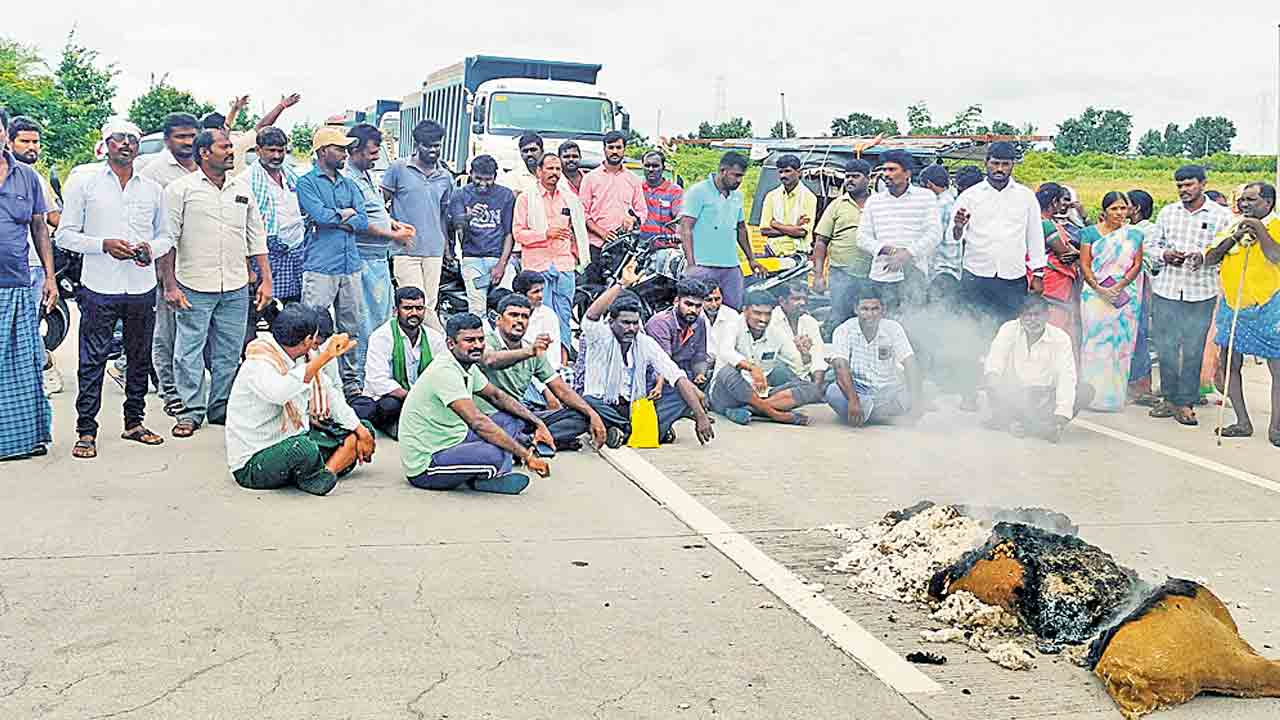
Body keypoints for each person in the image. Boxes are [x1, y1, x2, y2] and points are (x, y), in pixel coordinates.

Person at [55, 119, 172, 459]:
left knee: (139, 357)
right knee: (92, 360)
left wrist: (150, 250)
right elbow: (65, 235)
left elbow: (166, 236)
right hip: (99, 285)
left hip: (141, 286)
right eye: (118, 138)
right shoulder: (85, 183)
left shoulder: (152, 189)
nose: (126, 143)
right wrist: (102, 245)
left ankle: (134, 422)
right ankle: (86, 431)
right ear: (105, 144)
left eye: (132, 139)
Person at [161, 128, 272, 437]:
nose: (231, 152)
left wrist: (266, 280)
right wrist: (170, 286)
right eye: (224, 147)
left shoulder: (242, 189)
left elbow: (256, 236)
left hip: (235, 285)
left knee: (229, 351)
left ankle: (220, 407)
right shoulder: (180, 190)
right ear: (204, 153)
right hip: (193, 283)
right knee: (189, 351)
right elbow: (167, 241)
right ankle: (190, 411)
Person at [225, 304, 373, 496]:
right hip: (254, 460)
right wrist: (324, 358)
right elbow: (280, 393)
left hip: (297, 437)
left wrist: (361, 431)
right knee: (302, 449)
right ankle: (320, 473)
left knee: (362, 428)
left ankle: (324, 472)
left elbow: (332, 396)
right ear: (307, 340)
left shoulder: (303, 357)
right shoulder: (259, 362)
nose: (317, 344)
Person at [399, 313, 554, 494]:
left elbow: (496, 396)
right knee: (493, 454)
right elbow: (478, 422)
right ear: (451, 344)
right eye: (469, 340)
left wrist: (538, 423)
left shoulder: (466, 365)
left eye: (481, 339)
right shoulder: (445, 371)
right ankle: (491, 472)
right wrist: (526, 456)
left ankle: (492, 471)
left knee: (511, 419)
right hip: (426, 465)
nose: (478, 345)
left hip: (454, 439)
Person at [574, 263, 715, 446]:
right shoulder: (600, 336)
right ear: (611, 321)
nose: (631, 328)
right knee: (587, 403)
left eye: (635, 323)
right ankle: (635, 430)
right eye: (625, 323)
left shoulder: (643, 342)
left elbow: (675, 374)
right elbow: (591, 316)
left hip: (633, 406)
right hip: (603, 405)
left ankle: (625, 431)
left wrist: (700, 415)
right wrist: (622, 284)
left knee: (683, 391)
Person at [951, 142, 1046, 407]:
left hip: (1012, 277)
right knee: (970, 334)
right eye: (995, 163)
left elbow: (1035, 235)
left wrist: (1038, 272)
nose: (1000, 169)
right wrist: (958, 226)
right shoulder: (970, 195)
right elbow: (954, 237)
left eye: (1005, 164)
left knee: (1009, 336)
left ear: (1013, 165)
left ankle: (1003, 397)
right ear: (986, 163)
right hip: (976, 276)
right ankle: (969, 393)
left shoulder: (1026, 197)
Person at [1148, 165, 1232, 426]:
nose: (1183, 190)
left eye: (1189, 184)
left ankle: (1185, 402)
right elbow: (1151, 246)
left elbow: (1228, 250)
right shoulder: (1168, 212)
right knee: (1166, 347)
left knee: (1194, 349)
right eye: (1180, 185)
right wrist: (1165, 255)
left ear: (1203, 184)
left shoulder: (1221, 216)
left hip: (1201, 291)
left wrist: (1203, 257)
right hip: (1167, 289)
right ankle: (1169, 398)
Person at [478, 293, 607, 450]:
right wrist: (529, 352)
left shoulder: (531, 348)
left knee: (582, 416)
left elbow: (560, 389)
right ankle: (528, 442)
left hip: (519, 416)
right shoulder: (484, 342)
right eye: (513, 315)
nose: (519, 320)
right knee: (499, 428)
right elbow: (490, 360)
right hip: (489, 418)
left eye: (524, 316)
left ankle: (528, 441)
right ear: (498, 319)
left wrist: (593, 414)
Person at [1204, 182, 1280, 445]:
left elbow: (1276, 256)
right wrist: (1234, 237)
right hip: (1233, 304)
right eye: (1242, 200)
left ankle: (1276, 428)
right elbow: (1210, 258)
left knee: (1277, 368)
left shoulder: (1277, 225)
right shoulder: (1232, 226)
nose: (1244, 204)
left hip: (1269, 306)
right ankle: (1242, 422)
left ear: (1268, 202)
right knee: (1229, 363)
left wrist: (1258, 228)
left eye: (1251, 200)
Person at [0, 108, 55, 461]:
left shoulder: (27, 177)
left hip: (17, 283)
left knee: (22, 364)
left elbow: (39, 228)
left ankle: (22, 439)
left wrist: (50, 276)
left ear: (5, 134)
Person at [296, 127, 368, 397]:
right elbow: (319, 216)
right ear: (323, 151)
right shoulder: (306, 183)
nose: (345, 154)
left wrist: (337, 217)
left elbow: (362, 221)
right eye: (339, 149)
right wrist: (345, 215)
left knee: (351, 327)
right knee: (312, 327)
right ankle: (314, 382)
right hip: (321, 265)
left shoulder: (349, 184)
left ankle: (350, 383)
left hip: (350, 264)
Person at [344, 123, 416, 378]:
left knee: (380, 321)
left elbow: (374, 211)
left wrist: (392, 223)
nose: (376, 158)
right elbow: (357, 222)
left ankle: (378, 375)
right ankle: (362, 377)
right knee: (365, 323)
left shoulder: (366, 175)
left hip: (378, 260)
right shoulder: (348, 179)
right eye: (372, 152)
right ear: (355, 150)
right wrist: (393, 235)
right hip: (363, 261)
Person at [141, 113, 200, 417]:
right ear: (167, 140)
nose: (188, 142)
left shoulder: (206, 165)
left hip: (201, 265)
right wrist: (165, 276)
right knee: (167, 333)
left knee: (195, 334)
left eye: (192, 136)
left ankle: (194, 392)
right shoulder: (154, 173)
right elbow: (150, 224)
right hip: (168, 265)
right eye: (181, 136)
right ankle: (170, 391)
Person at [7, 115, 63, 395]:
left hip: (30, 266)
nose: (31, 147)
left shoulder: (33, 178)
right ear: (10, 141)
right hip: (7, 267)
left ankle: (43, 369)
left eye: (35, 142)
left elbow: (48, 220)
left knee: (26, 326)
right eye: (24, 141)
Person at [984, 295, 1088, 443]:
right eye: (1027, 315)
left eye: (1037, 315)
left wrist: (1061, 415)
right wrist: (995, 384)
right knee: (991, 377)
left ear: (1047, 315)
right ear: (1020, 317)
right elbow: (995, 359)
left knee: (1084, 391)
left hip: (1044, 397)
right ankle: (1033, 427)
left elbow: (1066, 376)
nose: (1032, 320)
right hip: (1014, 395)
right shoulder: (1009, 329)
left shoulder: (1060, 338)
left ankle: (1019, 425)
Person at [709, 289, 821, 426]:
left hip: (760, 393)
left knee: (810, 388)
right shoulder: (732, 325)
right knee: (727, 371)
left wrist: (804, 354)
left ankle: (751, 410)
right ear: (745, 310)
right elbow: (726, 352)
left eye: (768, 314)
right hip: (726, 395)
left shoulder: (775, 332)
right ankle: (776, 414)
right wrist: (753, 368)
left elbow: (797, 365)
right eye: (757, 313)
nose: (763, 319)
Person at [382, 120, 453, 330]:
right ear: (417, 144)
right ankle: (443, 341)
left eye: (436, 145)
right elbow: (379, 205)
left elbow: (442, 214)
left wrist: (447, 246)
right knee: (414, 305)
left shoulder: (445, 177)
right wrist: (393, 229)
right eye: (427, 145)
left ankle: (427, 347)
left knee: (429, 304)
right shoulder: (398, 169)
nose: (433, 150)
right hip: (405, 250)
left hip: (434, 251)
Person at [512, 152, 588, 349]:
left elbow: (577, 230)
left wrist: (575, 254)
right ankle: (539, 358)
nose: (554, 173)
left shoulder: (570, 199)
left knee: (564, 315)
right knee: (539, 316)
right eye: (550, 168)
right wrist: (545, 234)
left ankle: (562, 360)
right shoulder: (526, 198)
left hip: (564, 265)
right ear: (539, 171)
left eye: (557, 169)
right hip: (537, 266)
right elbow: (518, 234)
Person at [1078, 192, 1145, 411]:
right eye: (1114, 208)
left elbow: (1137, 264)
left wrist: (1119, 286)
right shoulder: (1089, 233)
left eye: (1123, 208)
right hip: (1094, 295)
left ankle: (1113, 398)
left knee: (1121, 346)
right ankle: (1090, 396)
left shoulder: (1134, 234)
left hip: (1124, 296)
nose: (1119, 213)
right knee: (1094, 344)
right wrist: (1099, 288)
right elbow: (1085, 264)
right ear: (1104, 211)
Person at [352, 286, 446, 439]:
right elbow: (378, 381)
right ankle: (393, 425)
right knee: (388, 406)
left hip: (422, 398)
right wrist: (414, 398)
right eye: (408, 308)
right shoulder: (381, 337)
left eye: (419, 308)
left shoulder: (434, 338)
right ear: (396, 311)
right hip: (392, 398)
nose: (414, 313)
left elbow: (443, 374)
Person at [856, 149, 940, 316]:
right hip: (881, 275)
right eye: (884, 169)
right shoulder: (874, 201)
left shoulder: (925, 197)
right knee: (883, 323)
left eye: (892, 169)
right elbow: (861, 238)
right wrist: (890, 250)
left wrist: (907, 254)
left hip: (915, 274)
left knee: (914, 322)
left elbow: (934, 233)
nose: (886, 174)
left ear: (907, 173)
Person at [679, 151, 766, 310]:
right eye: (736, 175)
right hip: (702, 265)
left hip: (730, 265)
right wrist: (691, 265)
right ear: (723, 171)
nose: (739, 180)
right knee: (698, 311)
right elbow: (685, 228)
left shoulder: (737, 196)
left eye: (741, 176)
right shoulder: (698, 192)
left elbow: (741, 228)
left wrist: (751, 259)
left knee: (733, 310)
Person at [825, 292, 923, 427]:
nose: (870, 314)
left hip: (890, 390)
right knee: (832, 392)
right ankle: (885, 417)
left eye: (875, 309)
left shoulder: (893, 328)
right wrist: (853, 400)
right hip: (858, 390)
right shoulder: (844, 330)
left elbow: (910, 362)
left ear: (883, 310)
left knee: (922, 389)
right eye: (865, 309)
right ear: (856, 310)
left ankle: (868, 415)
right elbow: (840, 366)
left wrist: (916, 402)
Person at [246, 127, 305, 306]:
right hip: (267, 254)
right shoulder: (246, 180)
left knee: (295, 309)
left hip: (296, 251)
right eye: (271, 150)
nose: (277, 156)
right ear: (258, 150)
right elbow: (243, 227)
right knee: (264, 307)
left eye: (281, 150)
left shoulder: (291, 176)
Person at [450, 154, 515, 316]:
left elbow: (509, 233)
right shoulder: (460, 194)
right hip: (472, 260)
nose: (483, 184)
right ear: (470, 173)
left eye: (488, 179)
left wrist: (501, 265)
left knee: (506, 305)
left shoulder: (506, 195)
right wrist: (468, 216)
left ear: (495, 176)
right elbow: (454, 225)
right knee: (477, 308)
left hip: (499, 258)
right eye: (478, 178)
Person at [813, 160, 873, 333]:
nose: (850, 180)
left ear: (868, 179)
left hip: (872, 275)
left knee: (869, 318)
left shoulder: (878, 203)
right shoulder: (837, 205)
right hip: (841, 274)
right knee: (839, 318)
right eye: (847, 176)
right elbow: (821, 241)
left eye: (855, 176)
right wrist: (818, 275)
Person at [579, 130, 647, 263]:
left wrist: (633, 220)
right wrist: (601, 232)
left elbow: (642, 211)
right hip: (596, 246)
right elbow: (582, 213)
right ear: (604, 149)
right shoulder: (590, 178)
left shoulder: (633, 179)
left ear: (624, 149)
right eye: (611, 147)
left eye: (618, 147)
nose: (614, 151)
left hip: (623, 246)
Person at [1037, 183, 1082, 357]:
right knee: (1054, 329)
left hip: (1049, 282)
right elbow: (1065, 253)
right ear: (1054, 202)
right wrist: (1080, 254)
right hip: (1053, 285)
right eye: (1061, 201)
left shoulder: (1044, 221)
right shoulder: (1046, 225)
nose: (1064, 205)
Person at [1127, 189, 1160, 405]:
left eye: (1126, 205)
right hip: (1130, 287)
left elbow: (1150, 261)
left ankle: (1141, 386)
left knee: (1137, 335)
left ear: (1137, 208)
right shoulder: (1128, 229)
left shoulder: (1146, 231)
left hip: (1140, 286)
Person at [645, 277, 711, 386]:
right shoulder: (660, 323)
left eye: (698, 306)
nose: (693, 310)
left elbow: (699, 356)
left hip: (685, 376)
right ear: (676, 301)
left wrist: (700, 374)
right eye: (688, 304)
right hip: (659, 381)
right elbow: (663, 366)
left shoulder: (699, 322)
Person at [759, 154, 818, 256]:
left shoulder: (809, 197)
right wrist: (793, 228)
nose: (783, 175)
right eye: (780, 172)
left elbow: (801, 232)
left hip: (799, 253)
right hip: (773, 252)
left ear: (799, 172)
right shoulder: (771, 196)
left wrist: (775, 224)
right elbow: (764, 230)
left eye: (787, 171)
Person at [773, 282, 827, 383]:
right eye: (796, 299)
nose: (802, 303)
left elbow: (818, 355)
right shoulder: (771, 321)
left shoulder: (810, 321)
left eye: (804, 299)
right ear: (782, 301)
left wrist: (816, 385)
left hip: (809, 375)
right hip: (783, 377)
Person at [513, 270, 563, 374]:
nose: (541, 295)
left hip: (543, 372)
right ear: (520, 294)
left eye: (541, 291)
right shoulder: (508, 314)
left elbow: (553, 355)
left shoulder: (548, 315)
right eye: (535, 292)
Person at [639, 150, 683, 248]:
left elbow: (681, 217)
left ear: (663, 168)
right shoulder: (637, 188)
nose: (651, 169)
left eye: (655, 166)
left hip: (664, 247)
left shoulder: (675, 191)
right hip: (639, 247)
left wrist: (679, 233)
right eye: (647, 166)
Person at [703, 284, 741, 373]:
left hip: (727, 366)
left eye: (717, 299)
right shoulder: (694, 316)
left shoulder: (732, 315)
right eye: (708, 300)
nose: (714, 304)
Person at [498, 132, 544, 198]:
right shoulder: (512, 177)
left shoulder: (553, 172)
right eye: (525, 151)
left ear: (542, 151)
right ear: (520, 153)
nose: (529, 154)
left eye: (533, 150)